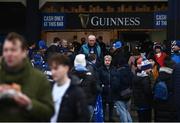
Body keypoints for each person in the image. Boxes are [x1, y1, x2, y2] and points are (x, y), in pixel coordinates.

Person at [0, 32, 54, 121]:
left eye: (13, 50)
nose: (9, 54)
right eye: (6, 50)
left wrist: (29, 104)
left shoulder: (39, 78)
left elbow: (48, 113)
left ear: (24, 52)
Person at [48, 54, 89, 122]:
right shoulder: (49, 88)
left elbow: (84, 117)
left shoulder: (76, 91)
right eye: (51, 68)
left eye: (56, 68)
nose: (53, 72)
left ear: (66, 68)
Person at [71, 54, 100, 121]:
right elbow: (95, 86)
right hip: (88, 100)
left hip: (77, 102)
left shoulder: (72, 71)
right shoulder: (91, 70)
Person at [153, 56, 177, 122]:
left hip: (159, 104)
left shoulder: (159, 76)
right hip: (170, 104)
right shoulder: (173, 77)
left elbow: (153, 89)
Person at [98, 55, 118, 122]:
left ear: (111, 61)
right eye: (106, 60)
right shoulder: (100, 69)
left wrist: (115, 85)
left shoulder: (114, 68)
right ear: (104, 61)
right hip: (104, 89)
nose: (107, 62)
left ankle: (110, 118)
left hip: (112, 89)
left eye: (108, 60)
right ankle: (103, 118)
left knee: (111, 105)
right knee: (103, 105)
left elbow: (116, 77)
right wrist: (101, 86)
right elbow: (98, 79)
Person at [132, 57, 153, 122]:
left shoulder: (136, 76)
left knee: (141, 119)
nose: (150, 69)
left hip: (139, 103)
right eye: (149, 67)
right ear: (145, 68)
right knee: (146, 119)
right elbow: (147, 91)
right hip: (145, 103)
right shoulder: (145, 78)